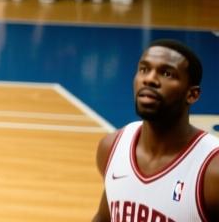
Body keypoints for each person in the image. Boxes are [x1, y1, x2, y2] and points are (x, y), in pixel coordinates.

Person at [92, 40, 218, 222]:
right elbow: (105, 217)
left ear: (192, 94)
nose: (149, 79)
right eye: (144, 69)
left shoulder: (212, 171)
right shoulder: (111, 147)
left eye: (167, 73)